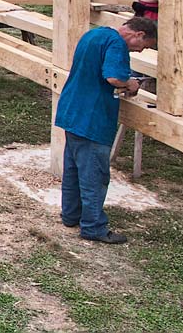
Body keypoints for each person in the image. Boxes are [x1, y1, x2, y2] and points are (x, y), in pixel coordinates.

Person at [56, 17, 158, 244]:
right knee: (94, 176)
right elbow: (113, 77)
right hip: (92, 118)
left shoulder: (94, 34)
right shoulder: (116, 43)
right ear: (139, 34)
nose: (141, 51)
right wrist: (130, 83)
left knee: (73, 169)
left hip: (73, 110)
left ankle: (71, 215)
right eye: (145, 46)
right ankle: (93, 227)